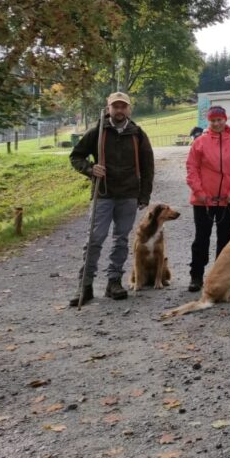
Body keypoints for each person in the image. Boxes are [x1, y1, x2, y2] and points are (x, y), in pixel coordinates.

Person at [68, 92, 155, 306]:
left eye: (123, 106)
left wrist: (144, 195)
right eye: (115, 107)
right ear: (108, 109)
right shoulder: (97, 132)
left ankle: (113, 282)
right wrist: (90, 168)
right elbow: (76, 156)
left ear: (129, 109)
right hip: (103, 194)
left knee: (121, 240)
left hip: (128, 195)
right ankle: (85, 286)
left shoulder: (138, 134)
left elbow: (148, 167)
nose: (119, 110)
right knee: (94, 240)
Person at [184, 105, 230, 292]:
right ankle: (196, 275)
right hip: (203, 200)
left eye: (219, 120)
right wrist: (199, 192)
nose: (217, 123)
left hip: (227, 201)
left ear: (225, 119)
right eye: (213, 120)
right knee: (201, 238)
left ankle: (222, 275)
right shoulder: (199, 143)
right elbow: (191, 169)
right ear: (208, 121)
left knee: (225, 239)